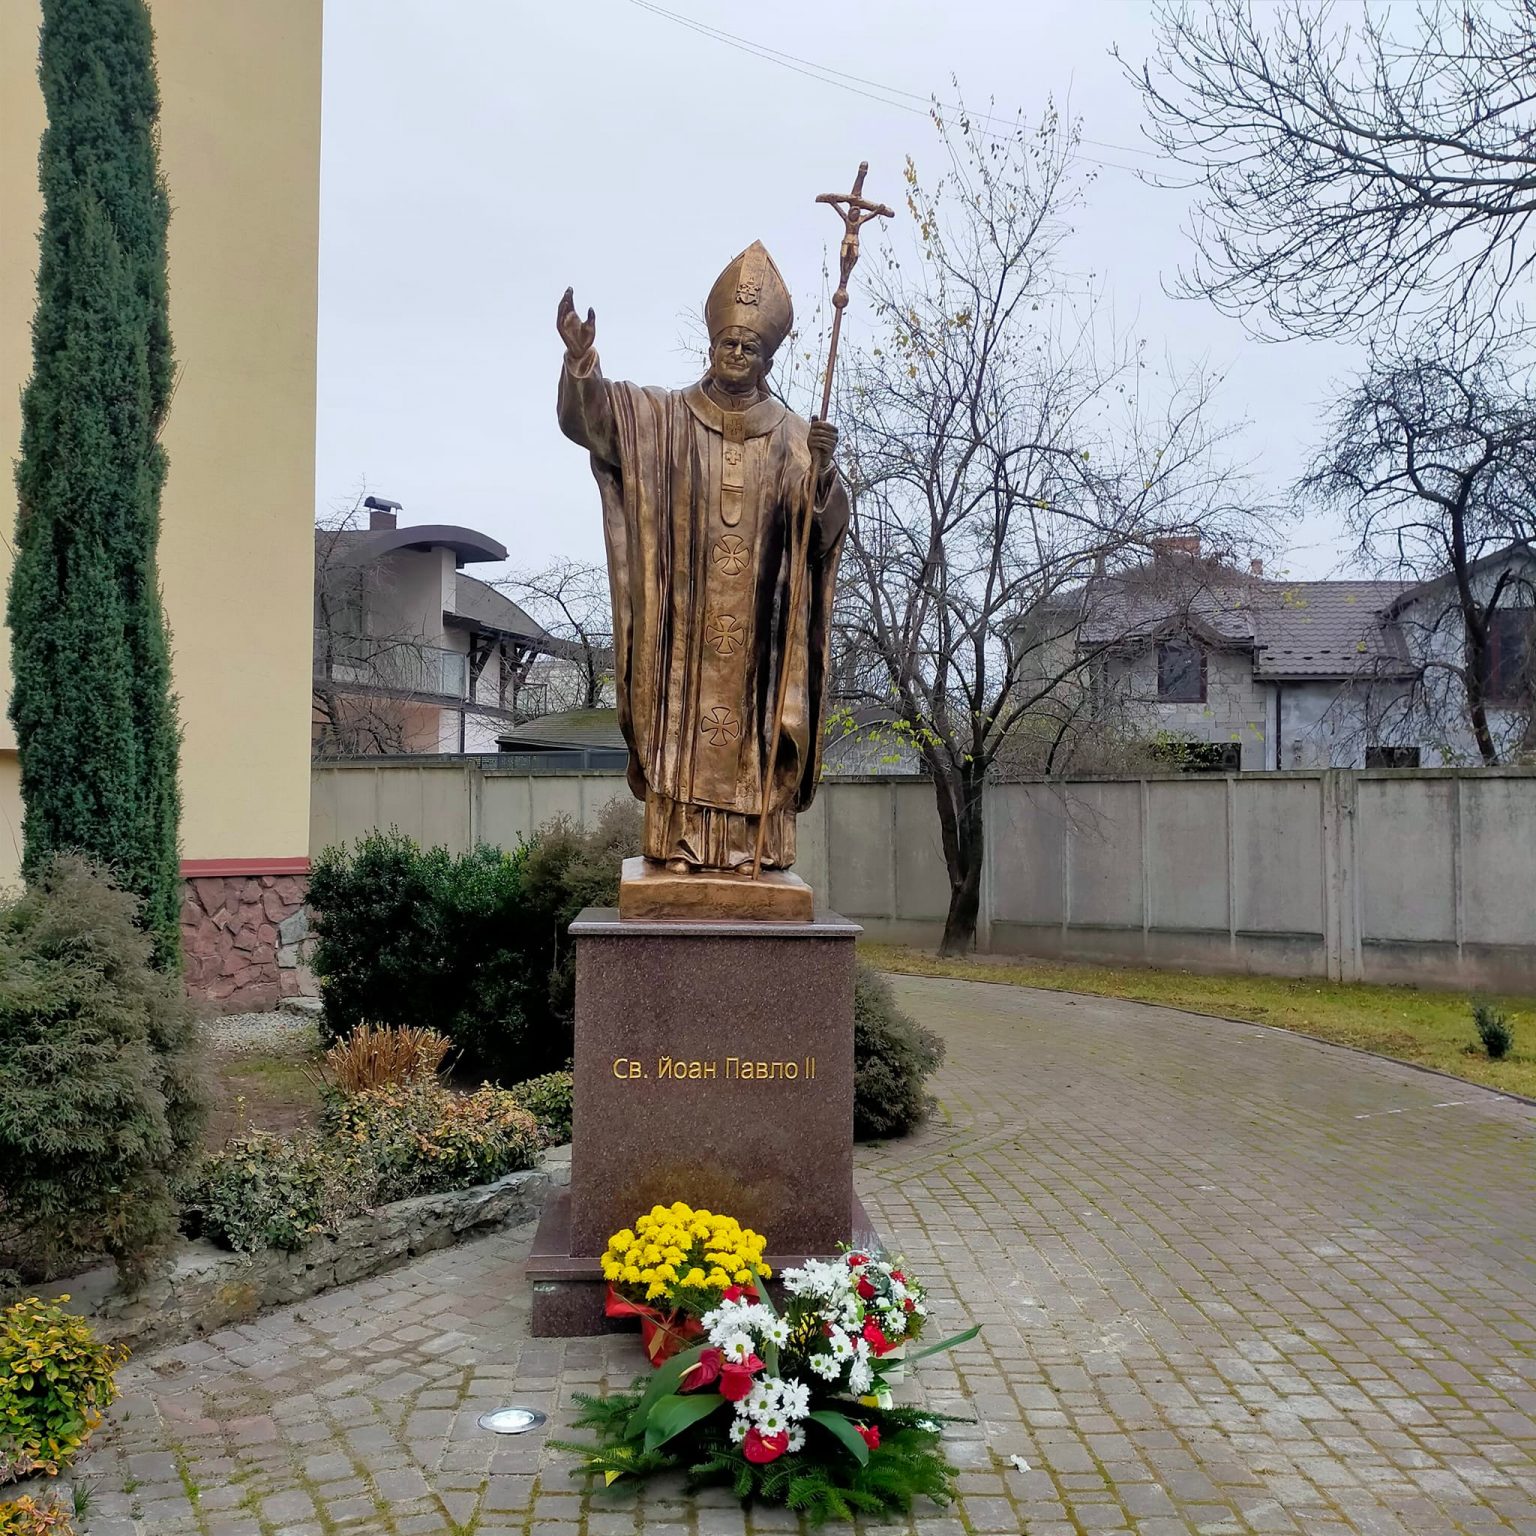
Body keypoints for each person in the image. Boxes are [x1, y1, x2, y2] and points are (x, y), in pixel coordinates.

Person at [557, 241, 848, 873]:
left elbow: (817, 534)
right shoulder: (662, 418)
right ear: (711, 345)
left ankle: (755, 850)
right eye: (729, 343)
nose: (738, 355)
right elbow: (599, 422)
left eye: (752, 347)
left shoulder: (797, 436)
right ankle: (678, 847)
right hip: (684, 628)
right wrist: (582, 362)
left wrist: (822, 477)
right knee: (681, 724)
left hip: (759, 637)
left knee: (755, 732)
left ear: (768, 358)